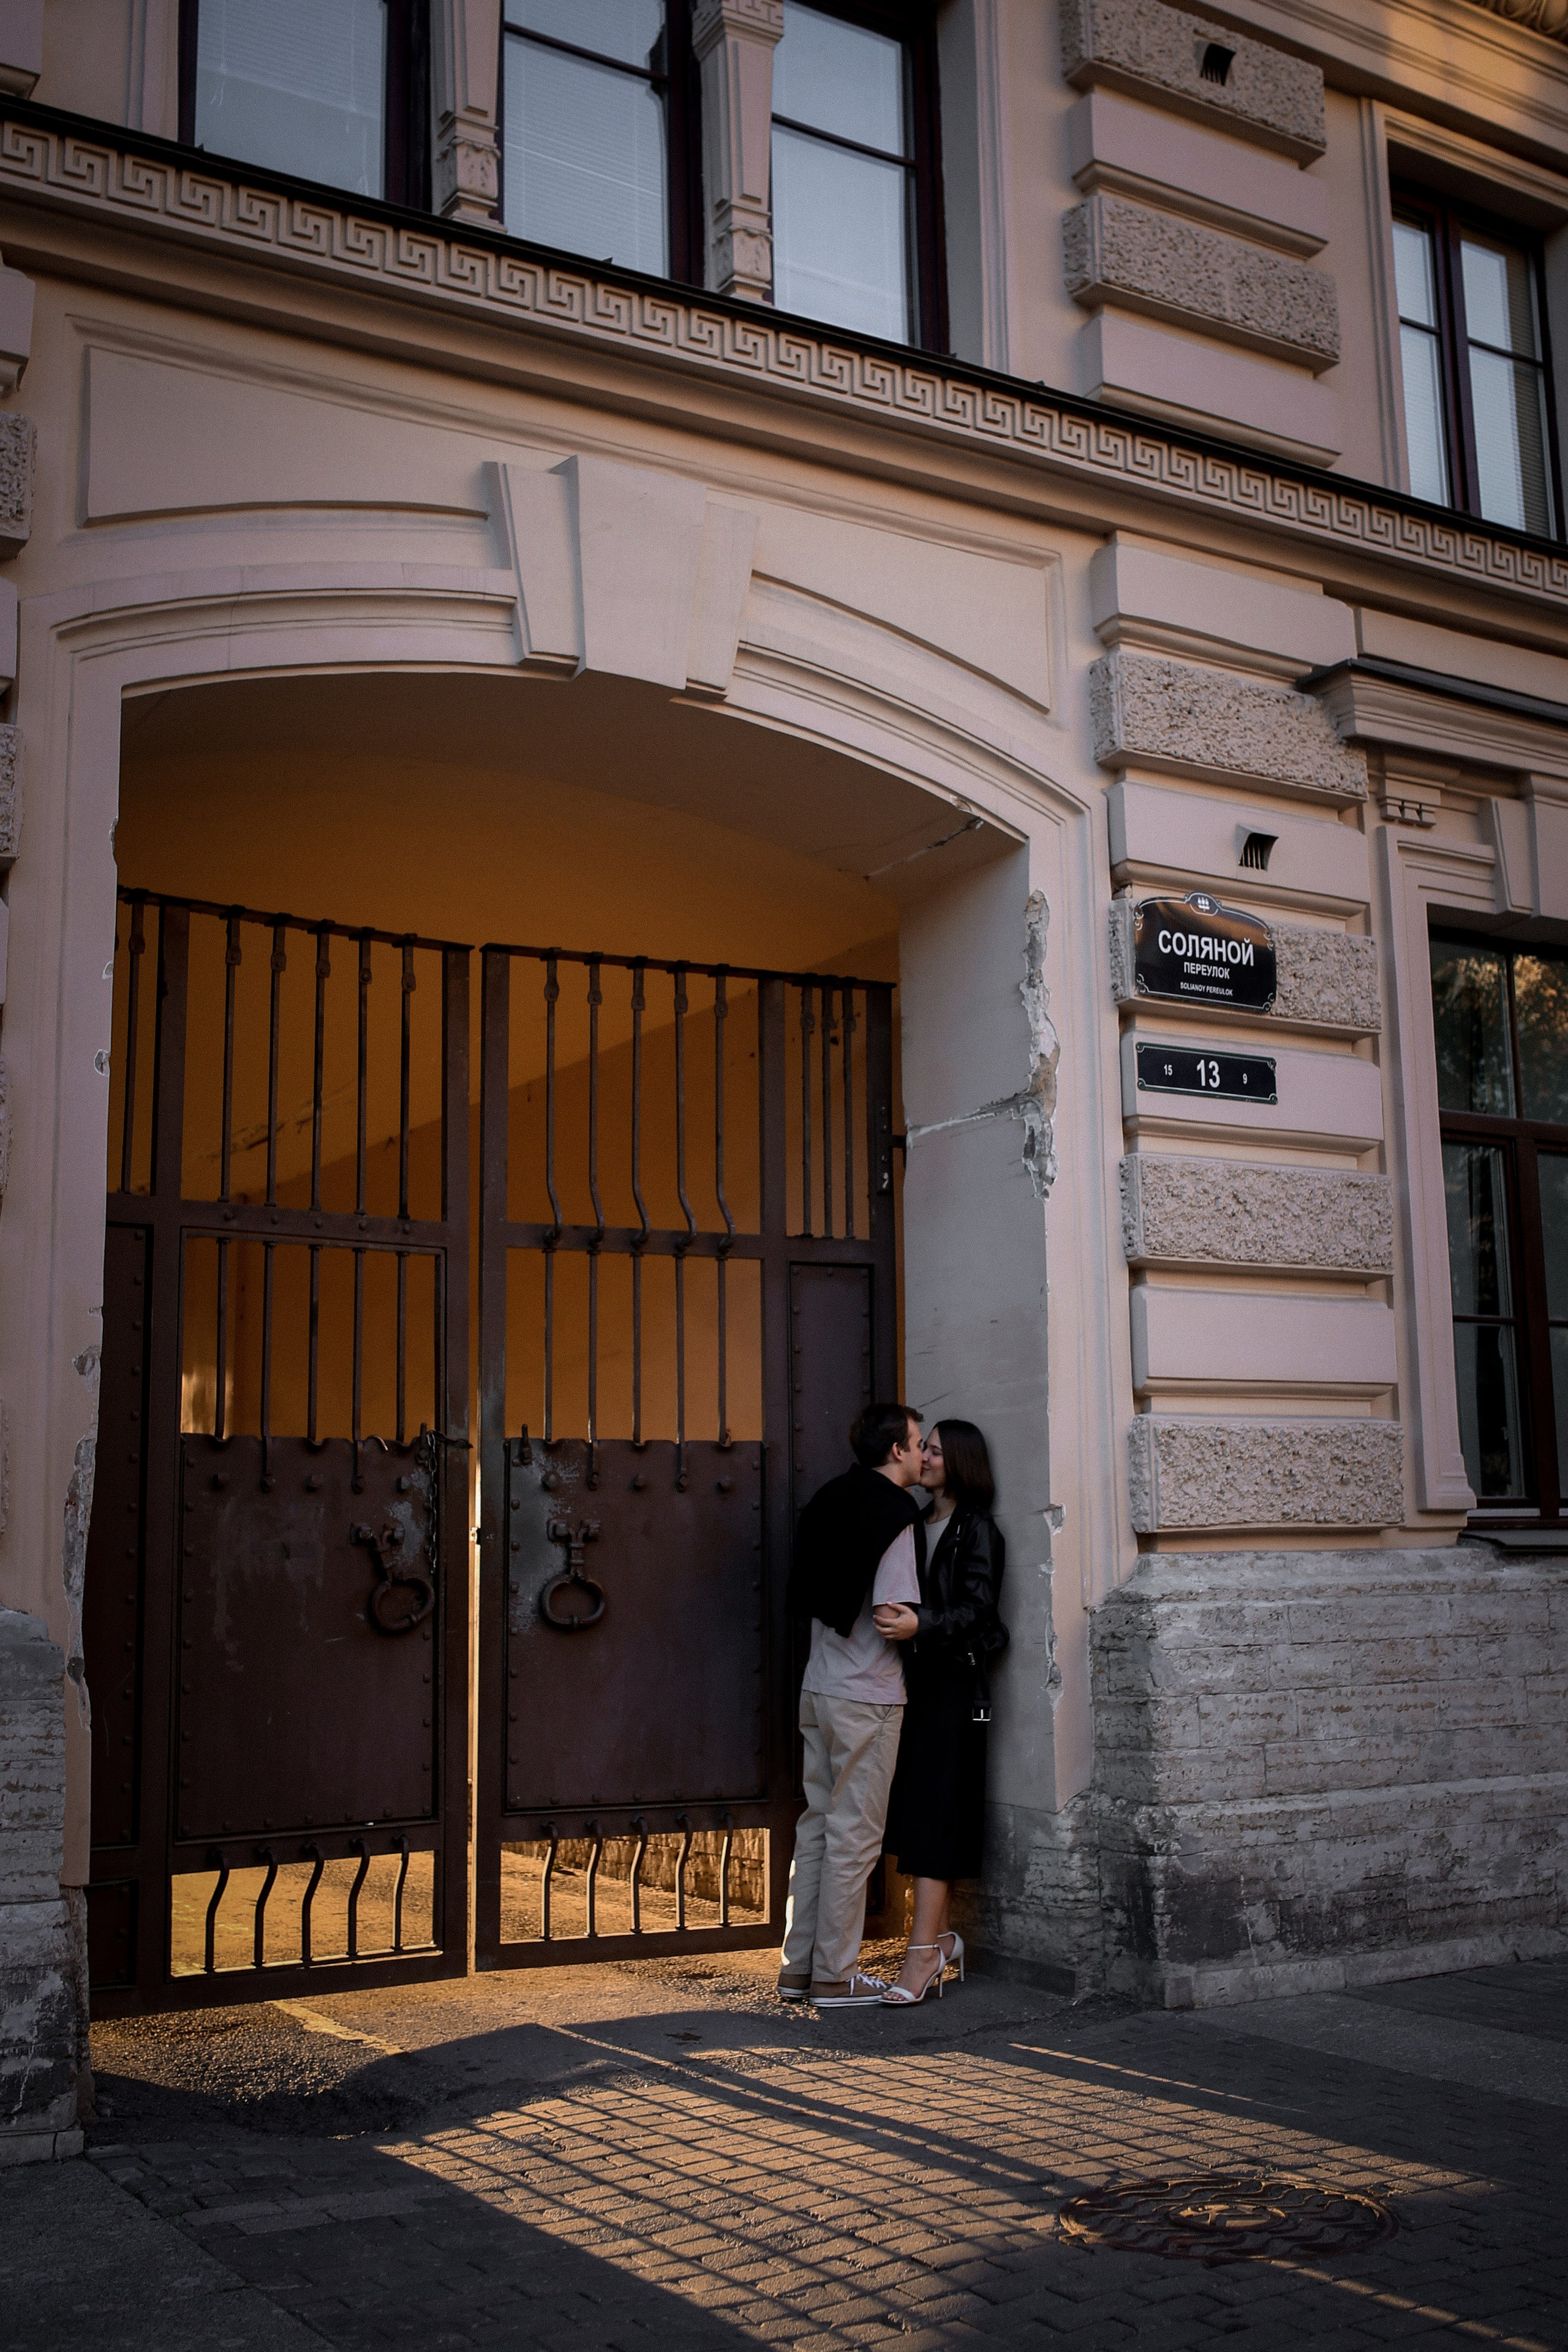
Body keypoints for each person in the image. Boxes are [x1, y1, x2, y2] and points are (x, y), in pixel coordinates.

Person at [778, 1400, 927, 2007]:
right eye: (918, 1444)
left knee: (816, 1829)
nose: (922, 1454)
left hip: (818, 1687)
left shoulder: (829, 1497)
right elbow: (893, 1613)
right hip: (867, 1694)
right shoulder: (895, 1513)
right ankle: (835, 1977)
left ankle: (798, 1969)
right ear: (896, 1451)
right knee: (854, 1837)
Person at [874, 1417, 1007, 2006]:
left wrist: (920, 1625)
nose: (923, 1457)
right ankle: (942, 1940)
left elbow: (979, 1611)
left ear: (959, 1461)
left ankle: (922, 1953)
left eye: (933, 1450)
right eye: (922, 1448)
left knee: (937, 1812)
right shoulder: (913, 1524)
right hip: (915, 1684)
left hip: (961, 1694)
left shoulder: (978, 1530)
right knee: (921, 1810)